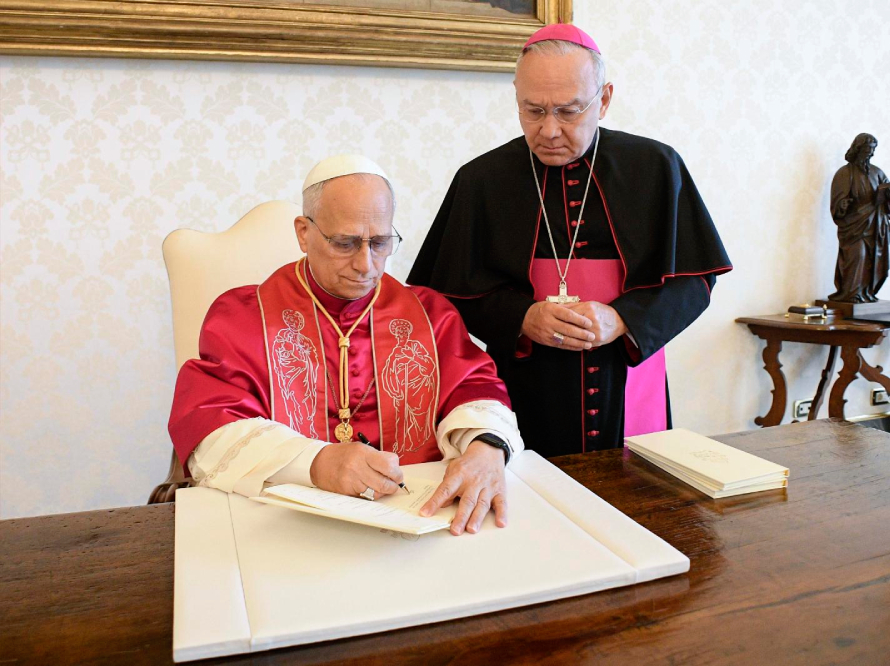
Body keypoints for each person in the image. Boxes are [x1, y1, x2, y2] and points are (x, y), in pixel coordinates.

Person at [407, 24, 731, 458]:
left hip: (628, 375)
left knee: (634, 506)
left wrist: (622, 321)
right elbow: (444, 295)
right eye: (533, 111)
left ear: (605, 100)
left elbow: (695, 281)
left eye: (569, 111)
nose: (550, 130)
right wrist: (523, 317)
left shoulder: (654, 167)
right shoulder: (482, 180)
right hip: (524, 382)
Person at [168, 155, 524, 535]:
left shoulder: (430, 313)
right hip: (283, 527)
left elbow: (474, 387)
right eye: (345, 243)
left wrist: (485, 449)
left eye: (381, 243)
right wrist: (317, 462)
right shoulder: (241, 316)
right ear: (304, 233)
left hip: (414, 520)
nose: (366, 265)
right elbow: (210, 427)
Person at [827, 133, 890, 303]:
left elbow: (888, 199)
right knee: (857, 256)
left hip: (875, 225)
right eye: (868, 149)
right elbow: (837, 202)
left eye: (873, 150)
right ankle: (851, 293)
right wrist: (842, 205)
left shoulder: (877, 172)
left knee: (873, 259)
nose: (871, 153)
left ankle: (867, 292)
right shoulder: (845, 173)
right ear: (858, 148)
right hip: (855, 225)